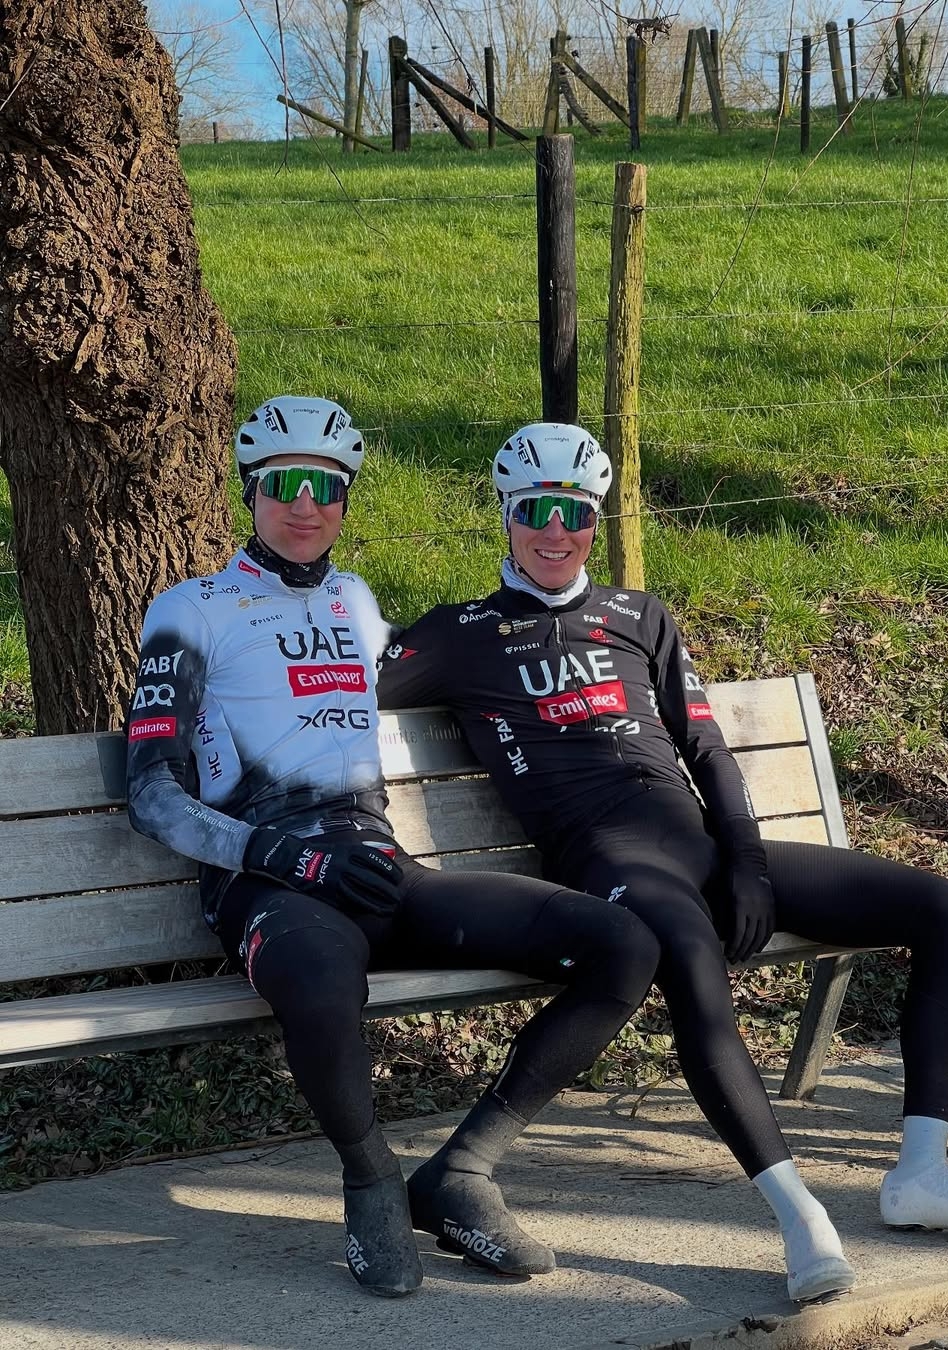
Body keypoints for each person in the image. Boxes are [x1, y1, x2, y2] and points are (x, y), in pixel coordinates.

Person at [377, 421, 948, 1305]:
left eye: (573, 510)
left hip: (696, 844)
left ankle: (920, 1172)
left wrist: (748, 865)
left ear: (595, 516)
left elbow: (708, 751)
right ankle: (800, 1218)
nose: (554, 529)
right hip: (604, 861)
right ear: (504, 513)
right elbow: (334, 692)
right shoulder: (460, 634)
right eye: (534, 508)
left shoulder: (637, 615)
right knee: (690, 962)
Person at [125, 399, 661, 1298]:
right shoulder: (189, 611)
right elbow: (150, 794)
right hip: (268, 882)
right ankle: (371, 1178)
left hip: (378, 867)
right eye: (284, 485)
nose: (305, 505)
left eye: (326, 487)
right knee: (322, 976)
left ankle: (460, 1173)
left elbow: (466, 660)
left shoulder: (355, 602)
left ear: (345, 499)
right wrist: (282, 858)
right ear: (249, 492)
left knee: (625, 943)